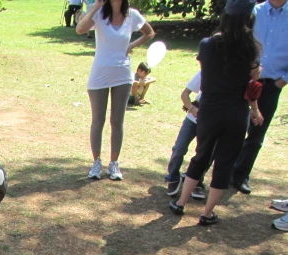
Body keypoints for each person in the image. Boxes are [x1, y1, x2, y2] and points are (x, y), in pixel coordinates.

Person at [168, 0, 261, 225]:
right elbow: (254, 79)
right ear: (249, 20)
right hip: (236, 112)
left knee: (201, 155)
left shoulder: (207, 44)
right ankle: (207, 213)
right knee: (225, 162)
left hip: (209, 109)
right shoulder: (252, 48)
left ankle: (180, 203)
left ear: (225, 17)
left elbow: (208, 69)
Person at [76, 0, 155, 181]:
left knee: (117, 121)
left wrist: (131, 46)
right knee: (98, 120)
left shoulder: (132, 15)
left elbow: (149, 33)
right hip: (100, 73)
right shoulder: (99, 14)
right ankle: (96, 162)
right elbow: (80, 29)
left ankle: (114, 163)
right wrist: (96, 6)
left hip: (122, 73)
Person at [230, 0, 288, 195]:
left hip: (271, 83)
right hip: (243, 78)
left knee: (257, 132)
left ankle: (240, 176)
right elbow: (238, 38)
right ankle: (221, 171)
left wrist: (282, 81)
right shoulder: (254, 11)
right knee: (231, 126)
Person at [164, 69, 206, 200]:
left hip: (211, 121)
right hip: (192, 119)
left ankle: (197, 181)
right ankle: (173, 177)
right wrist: (193, 108)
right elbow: (185, 94)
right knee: (179, 148)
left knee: (204, 153)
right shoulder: (205, 71)